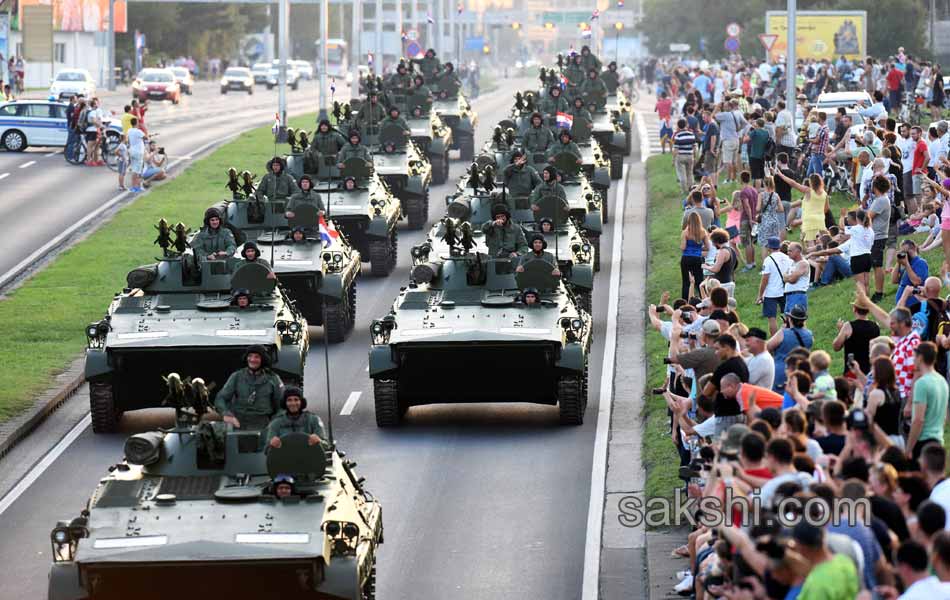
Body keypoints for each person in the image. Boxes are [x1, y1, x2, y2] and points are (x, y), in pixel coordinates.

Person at [214, 345, 284, 431]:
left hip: (263, 425)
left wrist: (274, 423)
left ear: (263, 359)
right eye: (250, 356)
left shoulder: (273, 379)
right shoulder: (237, 376)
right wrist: (226, 414)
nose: (252, 360)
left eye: (256, 357)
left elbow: (282, 405)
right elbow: (220, 398)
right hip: (239, 424)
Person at [907, 342, 948, 461]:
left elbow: (918, 420)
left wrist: (909, 448)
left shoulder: (922, 383)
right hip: (938, 440)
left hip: (923, 443)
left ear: (920, 358)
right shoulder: (942, 381)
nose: (913, 360)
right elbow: (944, 416)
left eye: (914, 356)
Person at [766, 306, 814, 391]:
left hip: (782, 372)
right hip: (802, 372)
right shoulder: (809, 335)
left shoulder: (783, 333)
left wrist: (782, 329)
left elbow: (767, 346)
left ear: (790, 319)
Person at [757, 236, 792, 335]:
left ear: (769, 247)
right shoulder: (787, 257)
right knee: (788, 315)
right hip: (785, 290)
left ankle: (775, 340)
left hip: (771, 293)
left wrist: (760, 295)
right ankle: (790, 335)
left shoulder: (768, 260)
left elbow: (765, 279)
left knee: (772, 318)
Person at [679, 212, 708, 300]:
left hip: (686, 259)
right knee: (700, 280)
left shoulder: (685, 232)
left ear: (689, 221)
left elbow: (683, 247)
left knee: (686, 282)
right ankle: (704, 299)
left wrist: (682, 246)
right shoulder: (703, 232)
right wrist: (699, 249)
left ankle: (685, 302)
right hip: (697, 258)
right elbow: (708, 247)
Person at [756, 177, 785, 261]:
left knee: (765, 245)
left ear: (764, 184)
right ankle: (775, 262)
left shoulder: (761, 195)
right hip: (775, 220)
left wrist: (763, 209)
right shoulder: (776, 195)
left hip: (765, 221)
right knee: (774, 243)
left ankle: (765, 266)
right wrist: (772, 208)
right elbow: (781, 209)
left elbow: (758, 209)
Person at [783, 242, 810, 313]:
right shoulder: (792, 264)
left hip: (798, 295)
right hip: (789, 296)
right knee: (788, 321)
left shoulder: (802, 263)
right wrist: (788, 277)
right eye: (787, 251)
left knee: (796, 321)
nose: (788, 252)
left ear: (798, 251)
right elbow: (784, 278)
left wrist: (787, 277)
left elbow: (792, 280)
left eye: (790, 251)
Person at [744, 118, 770, 188]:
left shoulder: (754, 132)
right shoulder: (766, 132)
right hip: (763, 156)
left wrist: (748, 133)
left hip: (754, 155)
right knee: (762, 174)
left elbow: (745, 140)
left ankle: (757, 191)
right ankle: (764, 189)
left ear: (757, 124)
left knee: (756, 175)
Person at [671, 118, 696, 193]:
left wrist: (673, 159)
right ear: (685, 125)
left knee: (682, 174)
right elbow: (694, 147)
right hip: (690, 156)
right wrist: (695, 156)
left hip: (681, 156)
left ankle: (684, 190)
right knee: (690, 173)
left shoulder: (678, 135)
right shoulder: (691, 134)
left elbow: (676, 149)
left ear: (678, 126)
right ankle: (691, 189)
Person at [126, 118, 146, 193]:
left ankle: (134, 186)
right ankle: (136, 187)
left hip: (132, 151)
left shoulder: (129, 130)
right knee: (137, 171)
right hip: (138, 152)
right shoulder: (138, 131)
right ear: (136, 123)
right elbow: (145, 137)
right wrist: (143, 127)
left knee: (134, 169)